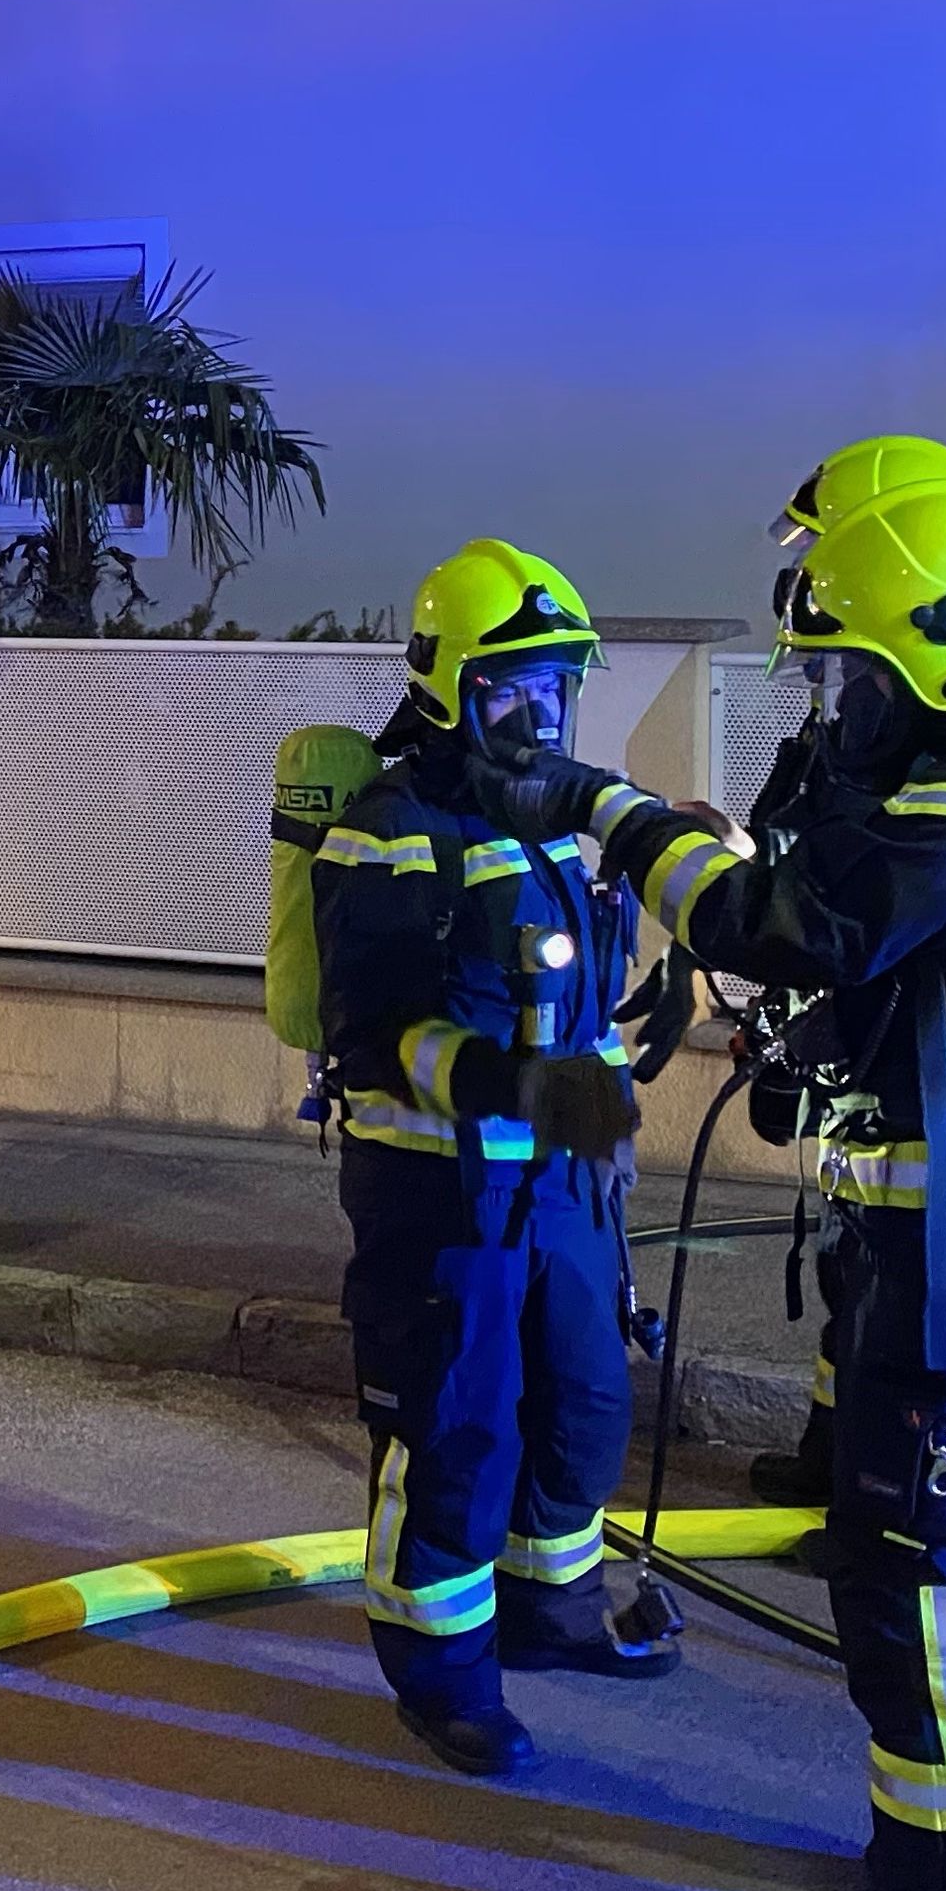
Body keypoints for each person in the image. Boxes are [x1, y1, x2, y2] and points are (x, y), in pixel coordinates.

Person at [499, 482, 946, 1891]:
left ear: (941, 649)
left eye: (847, 674)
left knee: (913, 1572)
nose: (833, 702)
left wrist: (613, 814)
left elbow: (783, 923)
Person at [315, 540, 683, 1783]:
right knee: (453, 1432)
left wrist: (621, 1091)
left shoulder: (561, 818)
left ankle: (552, 1613)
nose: (538, 714)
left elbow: (583, 993)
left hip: (570, 1185)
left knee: (583, 1406)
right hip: (443, 1192)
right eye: (507, 687)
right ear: (447, 688)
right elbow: (369, 1033)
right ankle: (442, 1674)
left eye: (555, 686)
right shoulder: (386, 830)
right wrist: (497, 1082)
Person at [742, 436, 946, 1510]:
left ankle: (870, 1495)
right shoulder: (883, 711)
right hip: (879, 1065)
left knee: (894, 1293)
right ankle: (829, 1462)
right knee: (854, 1267)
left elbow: (860, 902)